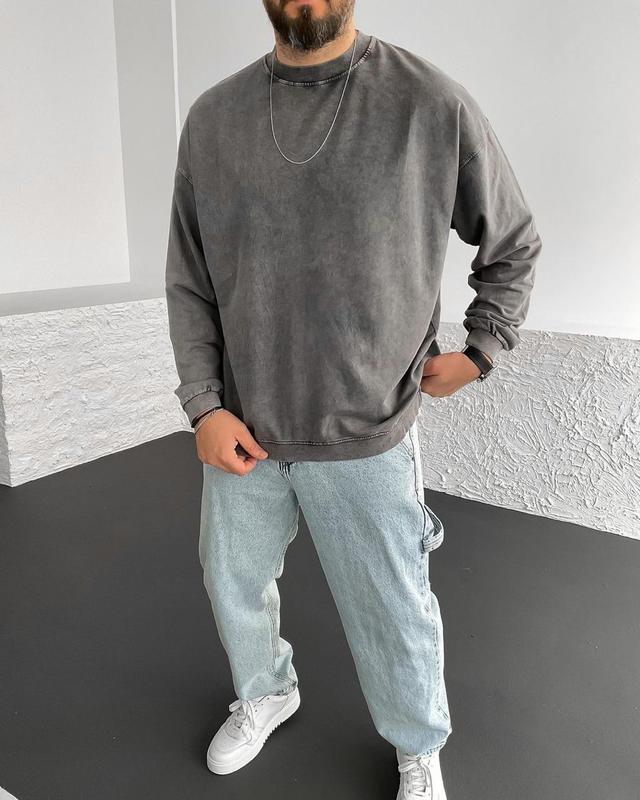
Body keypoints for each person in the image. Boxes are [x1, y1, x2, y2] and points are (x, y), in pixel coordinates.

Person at [164, 2, 542, 797]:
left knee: (391, 608)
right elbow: (189, 278)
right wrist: (204, 404)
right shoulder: (213, 120)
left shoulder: (429, 103)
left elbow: (511, 242)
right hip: (244, 429)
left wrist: (482, 349)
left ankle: (417, 747)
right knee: (231, 583)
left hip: (368, 429)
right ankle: (266, 691)